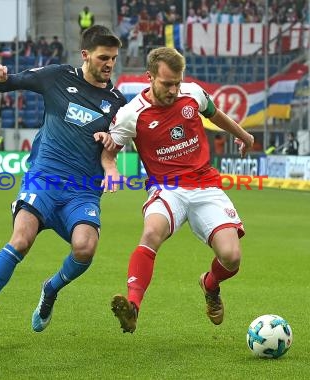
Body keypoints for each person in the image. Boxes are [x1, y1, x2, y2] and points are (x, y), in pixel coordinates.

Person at [0, 25, 125, 347]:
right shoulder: (57, 77)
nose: (109, 65)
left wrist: (110, 144)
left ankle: (51, 290)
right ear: (85, 55)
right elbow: (8, 83)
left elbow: (116, 144)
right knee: (20, 240)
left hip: (83, 189)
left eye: (114, 59)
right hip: (44, 177)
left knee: (85, 249)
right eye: (104, 58)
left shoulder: (116, 102)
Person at [100, 47, 254, 333]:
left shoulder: (193, 93)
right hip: (166, 188)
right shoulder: (131, 115)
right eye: (166, 83)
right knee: (151, 233)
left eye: (177, 83)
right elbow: (109, 151)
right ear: (150, 77)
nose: (173, 90)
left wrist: (243, 135)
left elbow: (215, 114)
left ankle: (210, 284)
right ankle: (133, 307)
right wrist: (111, 169)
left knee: (232, 257)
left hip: (205, 184)